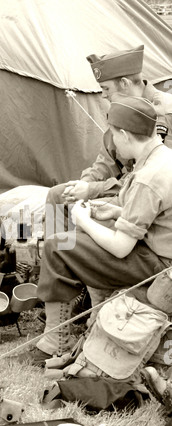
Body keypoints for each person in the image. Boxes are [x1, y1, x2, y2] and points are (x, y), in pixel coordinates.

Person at [17, 94, 172, 366]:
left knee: (58, 246)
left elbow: (121, 247)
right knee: (78, 236)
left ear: (124, 134)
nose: (112, 142)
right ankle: (90, 313)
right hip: (160, 252)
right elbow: (157, 216)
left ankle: (57, 340)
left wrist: (82, 219)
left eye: (113, 134)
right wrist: (116, 212)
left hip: (160, 267)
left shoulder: (148, 176)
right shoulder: (163, 158)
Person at [45, 45, 172, 239]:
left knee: (88, 218)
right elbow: (106, 160)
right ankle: (56, 251)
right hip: (127, 191)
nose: (103, 95)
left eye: (106, 88)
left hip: (149, 202)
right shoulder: (122, 109)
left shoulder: (165, 112)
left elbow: (152, 183)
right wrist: (84, 184)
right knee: (59, 195)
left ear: (124, 83)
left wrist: (93, 190)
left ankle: (71, 254)